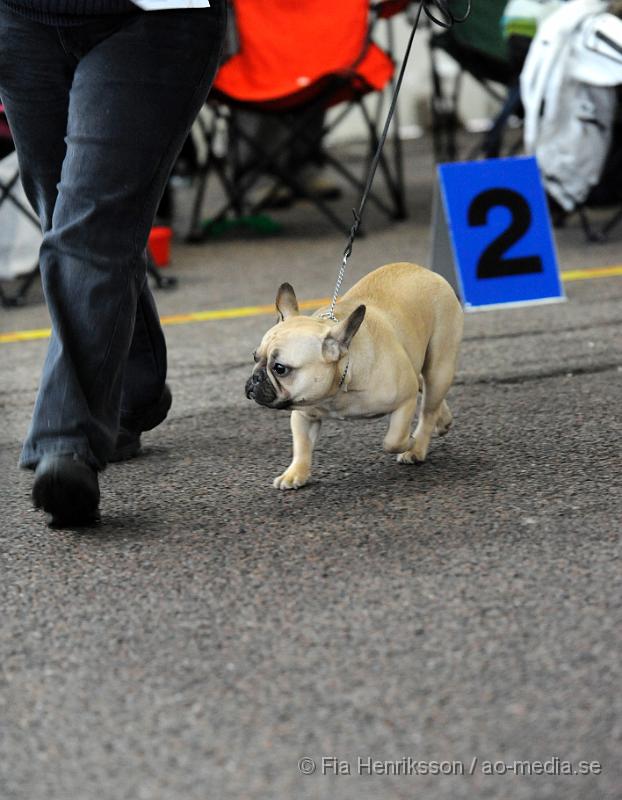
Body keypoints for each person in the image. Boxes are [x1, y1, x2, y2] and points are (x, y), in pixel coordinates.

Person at [0, 0, 226, 527]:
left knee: (89, 228)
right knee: (69, 218)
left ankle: (66, 440)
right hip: (24, 17)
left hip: (154, 16)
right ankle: (134, 389)